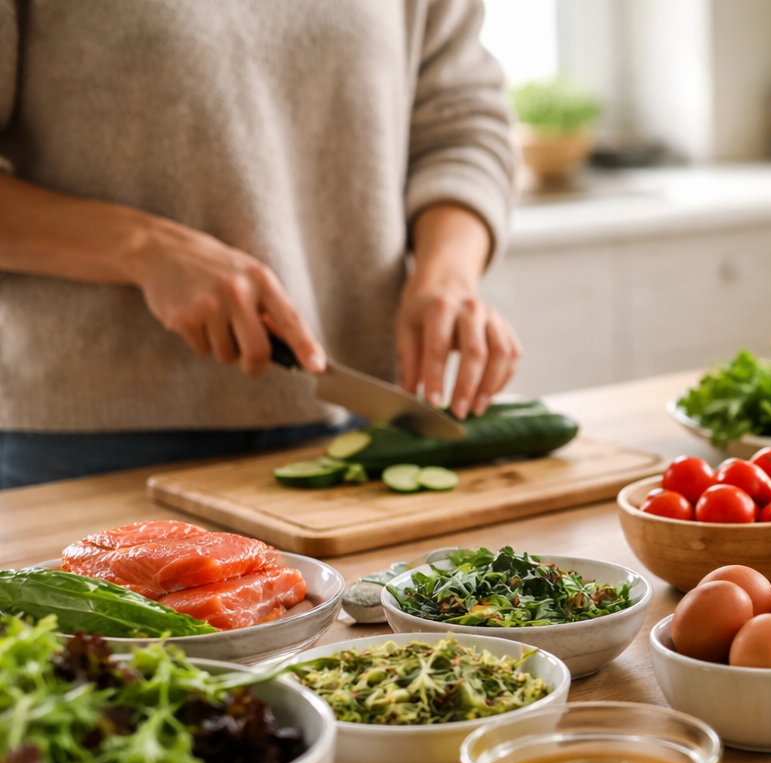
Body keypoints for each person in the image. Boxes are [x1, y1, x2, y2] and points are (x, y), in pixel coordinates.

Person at [0, 0, 520, 489]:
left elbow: (463, 121)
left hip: (362, 419)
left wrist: (446, 274)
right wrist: (140, 247)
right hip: (85, 444)